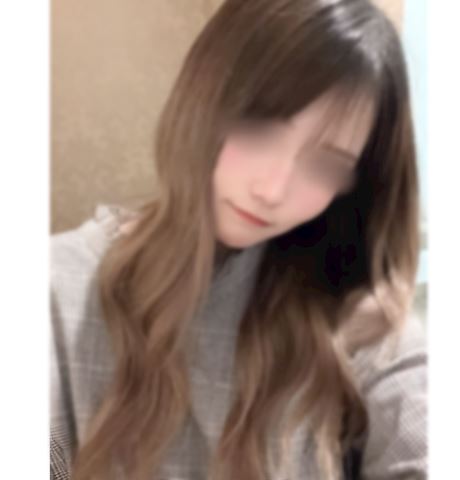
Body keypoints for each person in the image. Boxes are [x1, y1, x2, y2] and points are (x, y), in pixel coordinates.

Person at [50, 0, 427, 479]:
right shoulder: (57, 286)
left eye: (325, 164)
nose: (272, 190)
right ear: (202, 96)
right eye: (259, 127)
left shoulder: (355, 314)